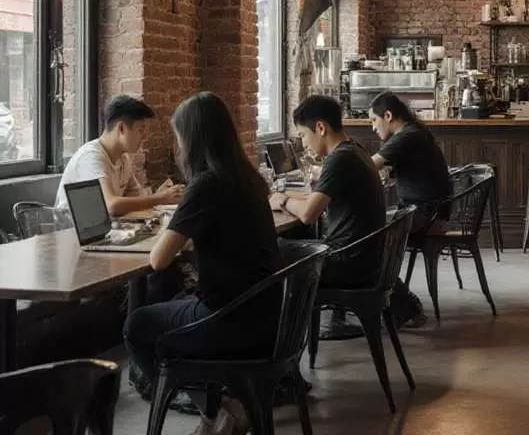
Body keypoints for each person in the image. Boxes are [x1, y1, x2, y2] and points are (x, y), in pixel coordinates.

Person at [124, 93, 280, 435]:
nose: (177, 147)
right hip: (268, 316)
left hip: (229, 319)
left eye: (179, 137)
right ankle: (226, 401)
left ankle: (210, 410)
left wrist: (172, 227)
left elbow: (159, 258)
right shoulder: (248, 178)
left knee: (137, 325)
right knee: (172, 300)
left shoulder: (206, 184)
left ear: (193, 138)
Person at [271, 95, 385, 289]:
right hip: (363, 258)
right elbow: (314, 198)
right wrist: (286, 196)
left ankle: (284, 318)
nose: (304, 144)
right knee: (289, 241)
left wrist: (282, 200)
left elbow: (308, 214)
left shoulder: (340, 159)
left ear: (321, 128)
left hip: (346, 263)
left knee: (270, 248)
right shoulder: (354, 149)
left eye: (303, 135)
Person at [369, 92, 453, 325]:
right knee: (368, 232)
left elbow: (368, 165)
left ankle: (404, 305)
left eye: (374, 121)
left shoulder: (407, 135)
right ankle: (394, 303)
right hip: (426, 211)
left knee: (368, 236)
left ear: (388, 115)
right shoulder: (413, 133)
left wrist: (323, 172)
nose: (373, 127)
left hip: (428, 216)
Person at [54, 95, 184, 214]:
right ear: (121, 128)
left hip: (104, 231)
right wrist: (159, 198)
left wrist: (159, 194)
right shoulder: (91, 157)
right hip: (69, 232)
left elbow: (136, 198)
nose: (145, 136)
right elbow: (111, 205)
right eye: (141, 130)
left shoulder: (123, 158)